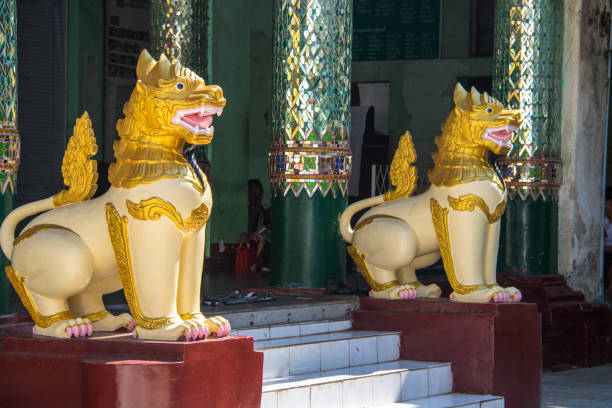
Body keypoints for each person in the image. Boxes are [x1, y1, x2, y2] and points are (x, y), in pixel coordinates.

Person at [247, 179, 271, 271]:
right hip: (253, 240)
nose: (256, 198)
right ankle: (260, 263)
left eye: (259, 195)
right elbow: (248, 231)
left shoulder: (266, 209)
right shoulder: (246, 210)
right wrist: (253, 213)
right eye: (253, 195)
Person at [604, 191, 612, 293]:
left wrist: (601, 249)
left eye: (609, 204)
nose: (607, 207)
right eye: (606, 204)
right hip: (605, 250)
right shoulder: (603, 220)